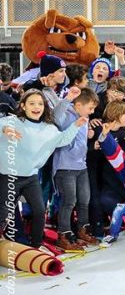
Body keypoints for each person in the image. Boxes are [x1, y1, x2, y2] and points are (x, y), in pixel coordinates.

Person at [0, 90, 87, 250]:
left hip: (31, 177)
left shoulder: (49, 128)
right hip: (9, 176)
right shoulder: (11, 121)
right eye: (31, 103)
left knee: (40, 210)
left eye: (40, 104)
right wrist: (4, 130)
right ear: (23, 106)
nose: (36, 107)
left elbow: (62, 140)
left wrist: (76, 125)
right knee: (4, 212)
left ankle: (36, 245)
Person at [52, 88, 100, 250]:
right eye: (90, 108)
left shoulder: (84, 118)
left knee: (84, 199)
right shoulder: (67, 115)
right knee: (68, 201)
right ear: (78, 105)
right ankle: (63, 235)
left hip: (81, 166)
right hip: (65, 167)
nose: (92, 112)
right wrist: (67, 99)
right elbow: (54, 117)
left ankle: (82, 229)